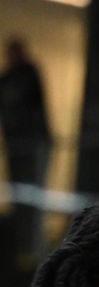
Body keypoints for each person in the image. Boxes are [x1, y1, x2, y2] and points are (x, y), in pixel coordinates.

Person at [0, 37, 51, 270]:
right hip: (17, 147)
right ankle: (22, 250)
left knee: (32, 198)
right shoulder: (8, 78)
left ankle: (33, 251)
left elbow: (28, 105)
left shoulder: (27, 74)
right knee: (21, 199)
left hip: (32, 146)